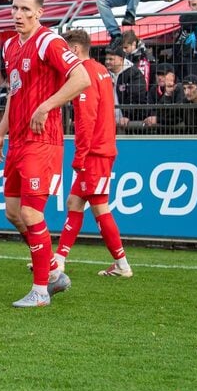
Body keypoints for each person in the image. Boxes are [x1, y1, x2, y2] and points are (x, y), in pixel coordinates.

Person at [0, 0, 90, 307]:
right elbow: (14, 93)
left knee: (32, 212)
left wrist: (46, 106)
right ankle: (52, 272)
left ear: (40, 13)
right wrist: (1, 133)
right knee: (13, 212)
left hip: (42, 141)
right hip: (17, 140)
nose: (18, 15)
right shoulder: (9, 47)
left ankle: (41, 290)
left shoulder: (49, 41)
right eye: (15, 8)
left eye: (25, 10)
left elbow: (81, 79)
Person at [56, 29, 132, 277]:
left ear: (75, 50)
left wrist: (80, 156)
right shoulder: (101, 70)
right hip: (101, 148)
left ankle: (122, 264)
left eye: (66, 50)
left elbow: (86, 119)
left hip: (95, 152)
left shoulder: (84, 73)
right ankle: (59, 258)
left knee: (100, 206)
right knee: (74, 202)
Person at [103, 47, 148, 127]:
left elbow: (136, 97)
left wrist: (128, 116)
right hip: (108, 122)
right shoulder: (104, 73)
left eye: (111, 59)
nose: (107, 62)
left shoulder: (134, 74)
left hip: (129, 123)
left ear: (121, 59)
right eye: (106, 59)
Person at [143, 64, 186, 131]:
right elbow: (149, 112)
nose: (160, 77)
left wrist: (158, 119)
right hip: (158, 132)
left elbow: (179, 116)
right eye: (158, 74)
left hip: (177, 132)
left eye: (163, 74)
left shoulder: (180, 88)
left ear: (173, 76)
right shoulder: (153, 89)